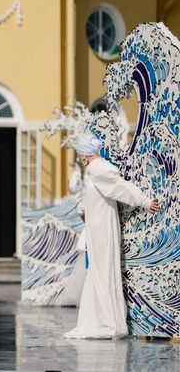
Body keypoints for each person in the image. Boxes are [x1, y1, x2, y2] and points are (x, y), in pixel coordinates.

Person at [65, 134, 160, 339]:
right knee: (99, 271)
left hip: (102, 229)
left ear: (84, 155)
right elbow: (91, 196)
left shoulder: (99, 169)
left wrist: (144, 201)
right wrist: (83, 211)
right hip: (96, 227)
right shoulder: (93, 171)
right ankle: (102, 320)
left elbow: (120, 187)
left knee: (103, 271)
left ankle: (107, 323)